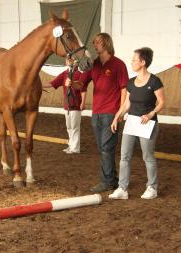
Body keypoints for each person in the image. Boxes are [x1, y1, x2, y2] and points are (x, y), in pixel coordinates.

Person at [69, 33, 129, 193]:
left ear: (106, 44)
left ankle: (107, 182)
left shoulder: (118, 64)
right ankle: (112, 179)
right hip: (96, 113)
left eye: (98, 42)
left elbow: (124, 89)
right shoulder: (93, 65)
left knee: (105, 148)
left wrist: (121, 112)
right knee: (103, 148)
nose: (94, 45)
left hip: (111, 112)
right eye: (94, 42)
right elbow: (81, 84)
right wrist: (71, 83)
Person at [109, 47, 165, 200]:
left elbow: (161, 102)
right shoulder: (131, 82)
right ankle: (122, 188)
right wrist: (116, 117)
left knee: (148, 156)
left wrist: (151, 114)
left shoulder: (154, 81)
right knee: (124, 156)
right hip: (132, 122)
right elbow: (126, 104)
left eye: (134, 60)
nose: (131, 62)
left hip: (148, 123)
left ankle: (152, 188)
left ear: (143, 62)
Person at [43, 58, 86, 154]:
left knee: (75, 127)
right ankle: (71, 146)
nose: (69, 62)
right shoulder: (64, 74)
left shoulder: (79, 74)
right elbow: (53, 83)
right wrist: (39, 85)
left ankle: (75, 148)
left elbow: (82, 88)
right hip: (67, 105)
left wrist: (83, 102)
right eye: (67, 60)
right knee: (69, 127)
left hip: (75, 105)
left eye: (71, 60)